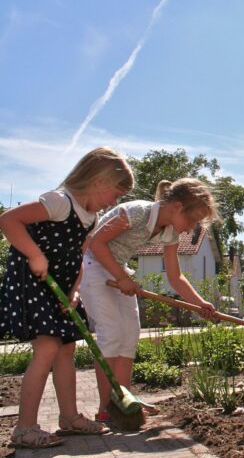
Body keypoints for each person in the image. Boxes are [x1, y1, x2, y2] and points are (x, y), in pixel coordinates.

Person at [0, 147, 134, 448]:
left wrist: (74, 290)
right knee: (47, 349)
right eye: (114, 194)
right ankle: (24, 429)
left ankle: (69, 417)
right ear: (98, 181)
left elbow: (79, 256)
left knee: (66, 350)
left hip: (59, 285)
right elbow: (9, 220)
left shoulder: (91, 217)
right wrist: (35, 255)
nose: (114, 202)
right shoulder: (59, 202)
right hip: (33, 281)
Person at [79, 178, 218, 424]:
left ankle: (123, 404)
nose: (190, 228)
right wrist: (122, 278)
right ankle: (104, 409)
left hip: (118, 272)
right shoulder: (136, 213)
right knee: (111, 335)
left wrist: (200, 304)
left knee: (129, 336)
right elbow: (95, 243)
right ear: (176, 207)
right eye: (192, 220)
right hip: (93, 267)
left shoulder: (170, 233)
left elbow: (175, 277)